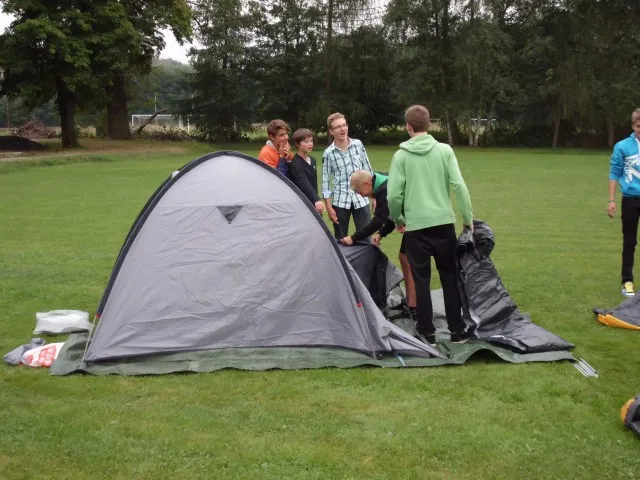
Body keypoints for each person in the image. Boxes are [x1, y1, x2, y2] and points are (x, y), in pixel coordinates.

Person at [387, 105, 474, 346]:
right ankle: (457, 331)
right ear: (428, 124)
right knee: (449, 278)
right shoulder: (445, 151)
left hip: (416, 228)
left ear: (408, 126)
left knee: (421, 280)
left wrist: (398, 219)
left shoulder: (401, 156)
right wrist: (468, 219)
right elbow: (459, 186)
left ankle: (427, 333)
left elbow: (393, 195)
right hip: (444, 225)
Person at [343, 170, 417, 319]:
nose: (361, 195)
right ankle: (412, 302)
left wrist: (354, 238)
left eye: (359, 192)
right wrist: (381, 233)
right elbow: (392, 214)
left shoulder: (383, 189)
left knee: (408, 260)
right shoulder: (382, 181)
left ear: (367, 184)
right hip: (413, 219)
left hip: (417, 220)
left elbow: (379, 219)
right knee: (404, 257)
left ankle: (414, 307)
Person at [322, 112, 373, 239]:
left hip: (361, 198)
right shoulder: (328, 153)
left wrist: (374, 195)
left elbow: (368, 170)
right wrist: (329, 207)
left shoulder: (358, 145)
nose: (343, 129)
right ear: (331, 131)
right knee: (341, 239)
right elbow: (325, 182)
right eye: (338, 126)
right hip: (340, 201)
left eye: (344, 125)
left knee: (366, 238)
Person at [608, 108, 640, 297]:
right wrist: (611, 200)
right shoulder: (622, 147)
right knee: (629, 241)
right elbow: (614, 172)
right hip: (630, 200)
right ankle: (627, 281)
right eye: (639, 126)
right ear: (633, 125)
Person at [289, 128, 324, 215]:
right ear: (297, 144)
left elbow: (314, 184)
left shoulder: (313, 160)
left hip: (313, 202)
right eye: (306, 141)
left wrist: (316, 199)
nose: (310, 144)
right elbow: (303, 182)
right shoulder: (295, 163)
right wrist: (316, 199)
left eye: (311, 141)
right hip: (302, 204)